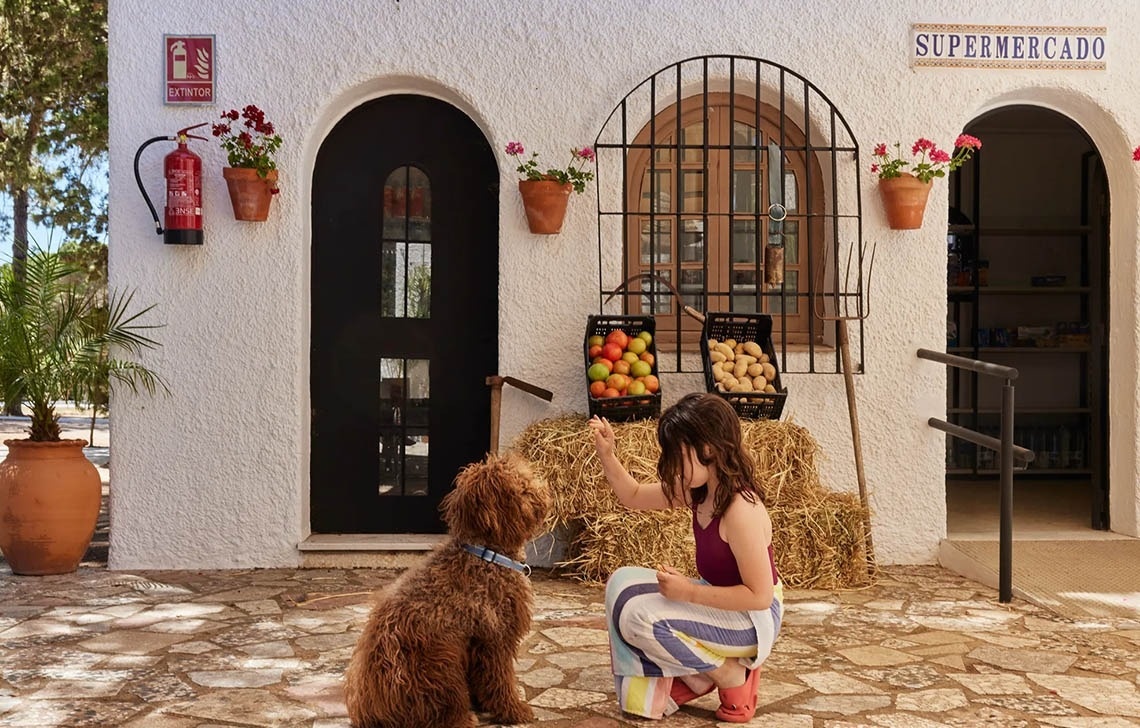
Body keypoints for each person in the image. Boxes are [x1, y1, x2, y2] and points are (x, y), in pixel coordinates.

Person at [588, 393, 783, 723]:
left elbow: (760, 596)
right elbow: (633, 495)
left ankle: (728, 674)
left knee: (640, 617)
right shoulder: (700, 491)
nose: (672, 464)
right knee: (620, 583)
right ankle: (695, 675)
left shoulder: (741, 511)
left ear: (709, 449)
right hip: (723, 606)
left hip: (752, 620)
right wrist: (607, 455)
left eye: (678, 454)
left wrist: (688, 593)